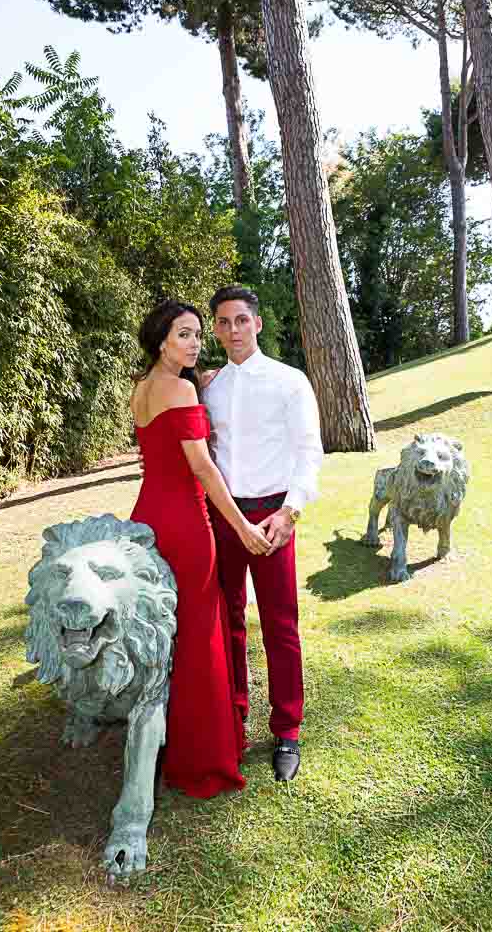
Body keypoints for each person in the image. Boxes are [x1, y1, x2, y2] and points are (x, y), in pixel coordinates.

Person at [130, 299, 271, 799]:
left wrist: (199, 388)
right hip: (187, 525)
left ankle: (162, 743)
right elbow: (204, 470)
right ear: (161, 339)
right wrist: (243, 528)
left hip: (147, 520)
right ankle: (203, 759)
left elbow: (164, 449)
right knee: (197, 637)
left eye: (196, 335)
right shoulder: (181, 387)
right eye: (184, 335)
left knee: (166, 640)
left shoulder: (143, 389)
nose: (195, 343)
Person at [202, 285, 323, 782]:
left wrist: (289, 513)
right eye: (224, 322)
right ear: (215, 329)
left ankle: (287, 728)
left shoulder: (290, 381)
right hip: (224, 517)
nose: (233, 330)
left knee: (280, 624)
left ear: (257, 324)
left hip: (274, 516)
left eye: (241, 320)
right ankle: (233, 716)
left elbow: (309, 451)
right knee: (226, 620)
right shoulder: (209, 387)